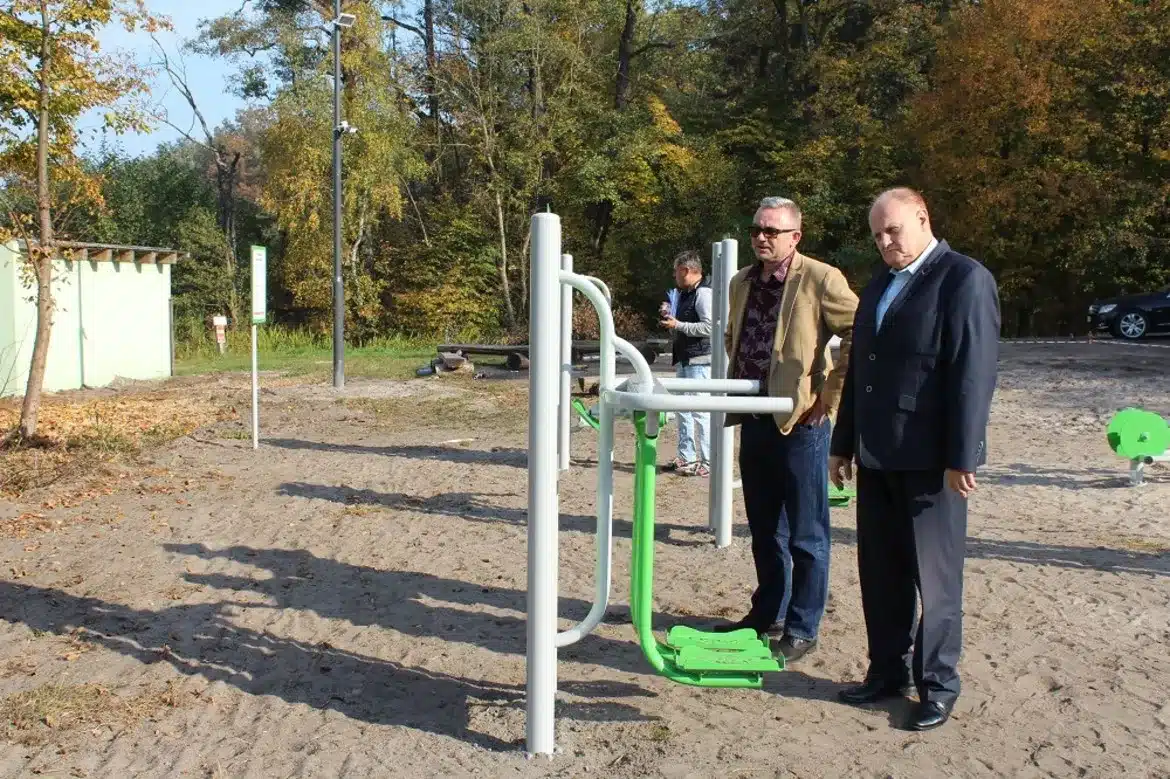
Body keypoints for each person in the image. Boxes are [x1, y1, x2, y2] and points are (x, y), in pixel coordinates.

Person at [829, 187, 1000, 731]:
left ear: (922, 219)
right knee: (881, 573)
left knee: (936, 579)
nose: (884, 242)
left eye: (893, 231)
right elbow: (862, 370)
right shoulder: (879, 284)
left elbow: (972, 373)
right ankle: (886, 673)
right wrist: (843, 440)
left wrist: (963, 455)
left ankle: (938, 685)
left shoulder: (963, 278)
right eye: (877, 234)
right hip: (877, 456)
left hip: (933, 461)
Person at [715, 196, 858, 664]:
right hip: (755, 417)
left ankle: (803, 627)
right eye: (757, 228)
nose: (761, 237)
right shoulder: (740, 282)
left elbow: (861, 331)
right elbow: (734, 337)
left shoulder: (820, 278)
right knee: (763, 529)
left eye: (772, 231)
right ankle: (768, 614)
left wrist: (828, 398)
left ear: (795, 236)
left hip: (801, 422)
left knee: (807, 533)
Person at [659, 251, 712, 477]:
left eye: (675, 271)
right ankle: (686, 455)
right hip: (684, 357)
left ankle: (708, 460)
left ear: (686, 270)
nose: (674, 276)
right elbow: (681, 322)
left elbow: (710, 327)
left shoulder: (704, 294)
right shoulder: (684, 293)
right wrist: (668, 313)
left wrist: (678, 325)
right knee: (683, 410)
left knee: (701, 411)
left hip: (700, 359)